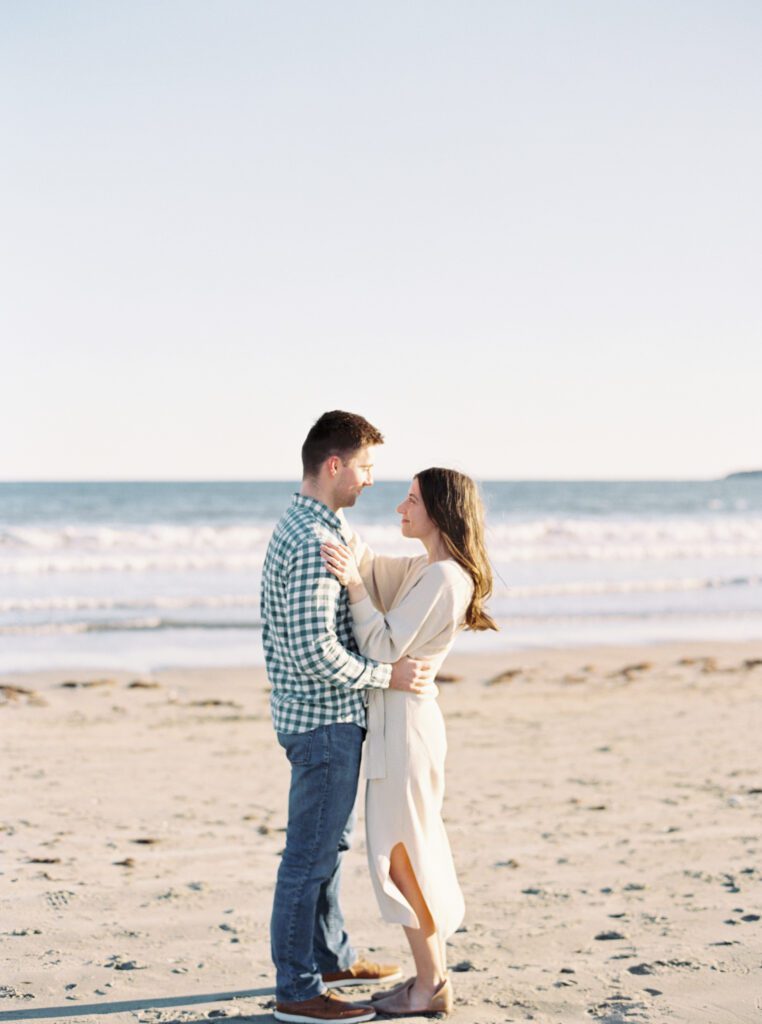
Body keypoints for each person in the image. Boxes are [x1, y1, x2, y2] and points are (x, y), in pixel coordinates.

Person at [261, 411, 437, 1024]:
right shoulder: (314, 541)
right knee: (308, 858)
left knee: (324, 848)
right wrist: (384, 674)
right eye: (365, 467)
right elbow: (314, 651)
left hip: (313, 718)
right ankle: (298, 990)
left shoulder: (314, 525)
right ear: (334, 465)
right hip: (324, 723)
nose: (369, 481)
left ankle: (330, 956)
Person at [320, 468, 497, 1018]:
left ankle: (429, 984)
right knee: (407, 856)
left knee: (403, 861)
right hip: (400, 729)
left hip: (407, 734)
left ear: (440, 510)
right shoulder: (427, 568)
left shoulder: (445, 581)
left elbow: (382, 643)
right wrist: (332, 509)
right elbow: (374, 568)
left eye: (412, 499)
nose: (400, 506)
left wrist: (350, 586)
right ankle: (432, 980)